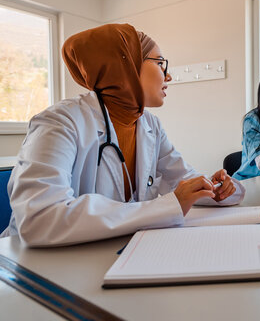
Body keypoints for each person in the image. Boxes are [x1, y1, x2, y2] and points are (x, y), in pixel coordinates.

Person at [1, 24, 245, 247]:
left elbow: (182, 178)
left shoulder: (150, 125)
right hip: (27, 270)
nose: (168, 76)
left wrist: (219, 188)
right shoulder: (59, 123)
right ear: (126, 65)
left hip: (109, 254)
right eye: (160, 63)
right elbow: (40, 218)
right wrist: (167, 206)